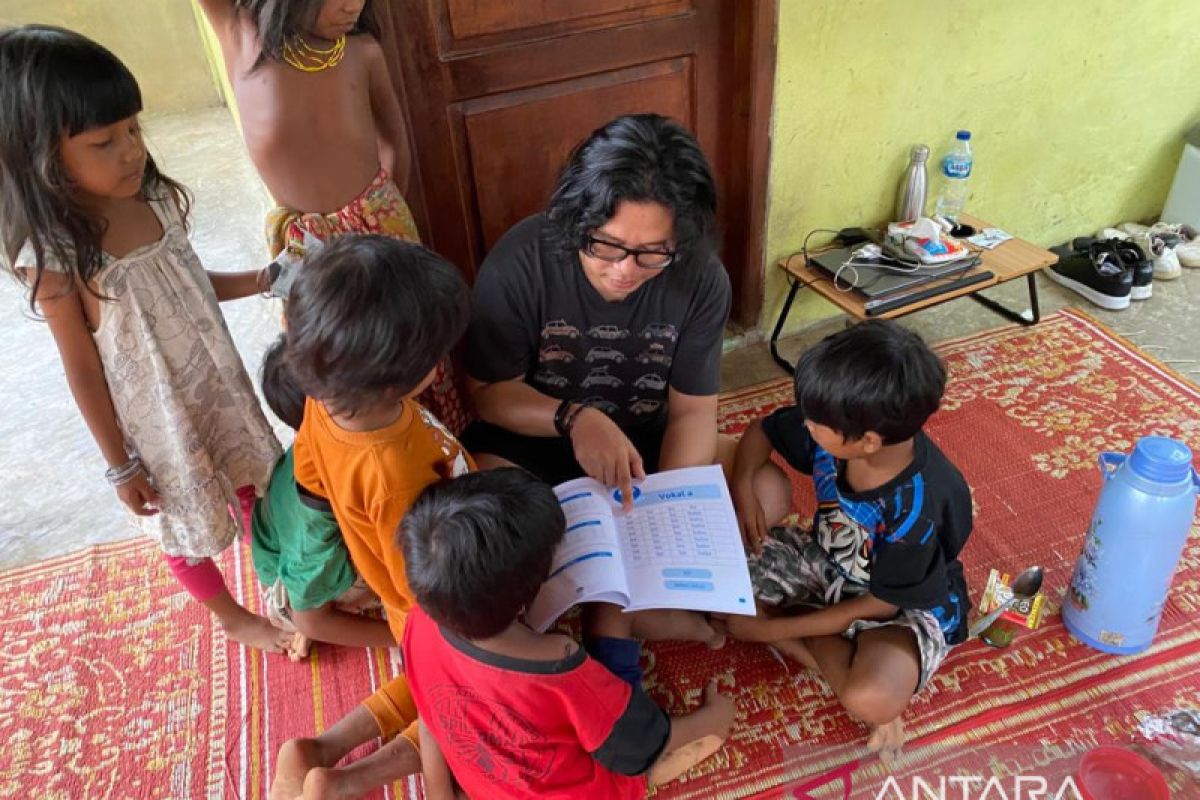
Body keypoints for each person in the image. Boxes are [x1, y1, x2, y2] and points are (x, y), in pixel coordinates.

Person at [0, 26, 286, 652]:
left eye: (134, 129)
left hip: (215, 383)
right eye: (105, 141)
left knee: (247, 480)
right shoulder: (55, 254)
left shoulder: (152, 195)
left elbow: (188, 281)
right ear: (39, 155)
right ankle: (231, 616)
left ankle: (280, 570)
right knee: (187, 516)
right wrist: (118, 463)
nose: (131, 151)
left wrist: (265, 279)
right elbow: (81, 367)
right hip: (157, 420)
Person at [462, 113, 733, 652]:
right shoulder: (521, 261)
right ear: (575, 219)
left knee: (764, 493)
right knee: (481, 531)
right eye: (605, 245)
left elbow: (693, 413)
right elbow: (487, 395)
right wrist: (577, 419)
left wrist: (661, 512)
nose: (624, 271)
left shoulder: (701, 276)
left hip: (642, 452)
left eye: (653, 253)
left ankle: (616, 585)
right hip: (533, 447)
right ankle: (620, 598)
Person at [195, 0, 466, 432]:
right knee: (332, 360)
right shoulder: (241, 37)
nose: (352, 6)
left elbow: (395, 143)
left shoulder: (363, 52)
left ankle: (438, 451)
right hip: (305, 248)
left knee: (410, 346)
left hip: (383, 225)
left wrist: (388, 219)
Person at [270, 234, 473, 800]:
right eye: (435, 354)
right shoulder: (391, 470)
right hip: (431, 604)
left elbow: (311, 477)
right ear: (397, 377)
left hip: (403, 599)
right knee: (451, 696)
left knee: (427, 677)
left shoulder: (326, 398)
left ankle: (321, 748)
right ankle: (351, 780)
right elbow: (424, 580)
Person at [400, 469, 736, 800]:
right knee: (613, 615)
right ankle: (655, 776)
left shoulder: (418, 623)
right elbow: (640, 744)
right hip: (585, 791)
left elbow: (428, 713)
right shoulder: (562, 668)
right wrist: (710, 718)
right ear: (531, 591)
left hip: (488, 787)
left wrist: (439, 791)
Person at [727, 320, 973, 760]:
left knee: (873, 697)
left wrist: (773, 628)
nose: (806, 423)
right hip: (828, 563)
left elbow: (879, 604)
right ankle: (821, 634)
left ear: (867, 442)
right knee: (715, 582)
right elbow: (762, 431)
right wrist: (744, 486)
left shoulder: (916, 505)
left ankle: (811, 631)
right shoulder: (839, 425)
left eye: (816, 422)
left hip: (899, 605)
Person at [250, 336, 394, 660]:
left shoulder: (328, 447)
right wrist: (401, 635)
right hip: (291, 587)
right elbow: (310, 618)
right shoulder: (315, 514)